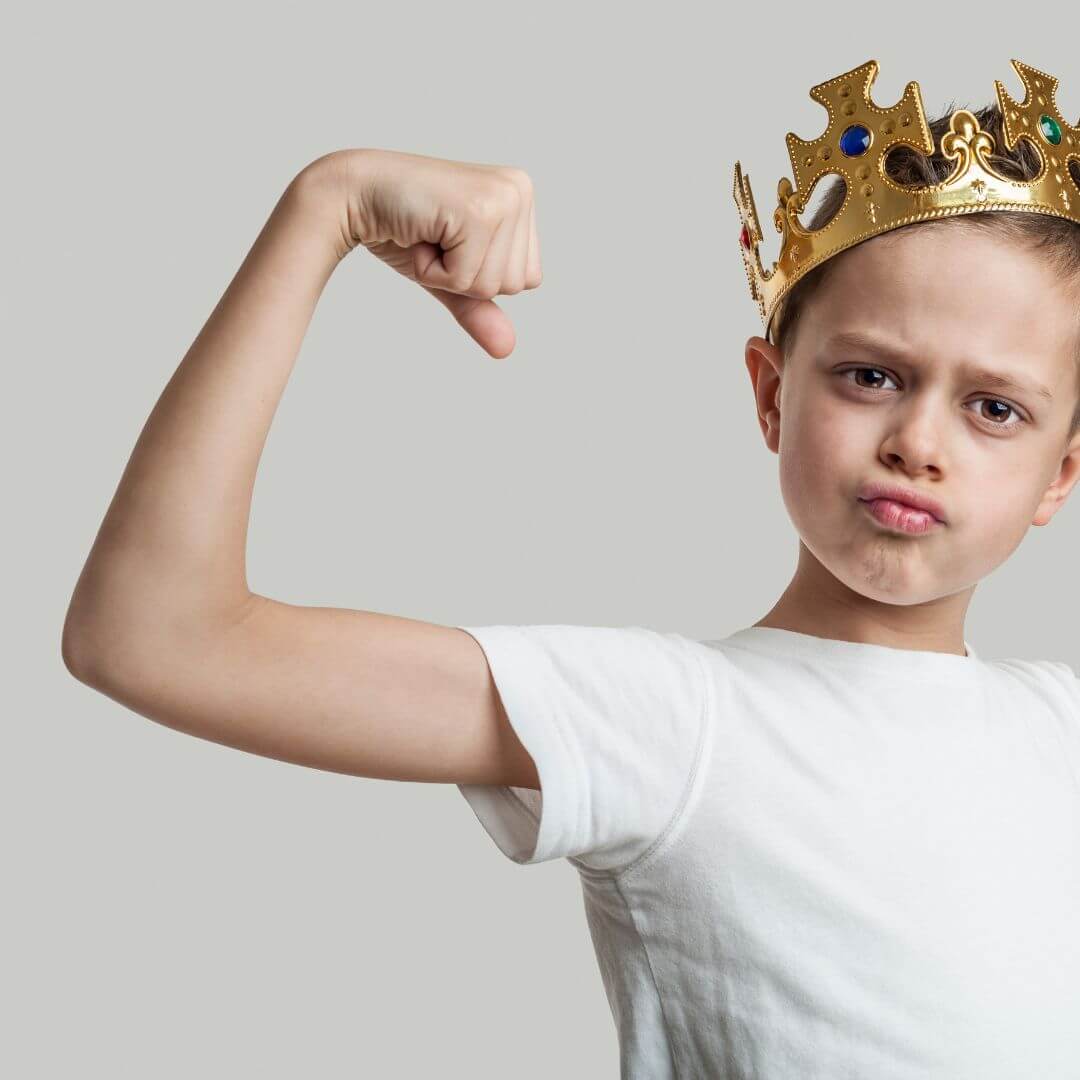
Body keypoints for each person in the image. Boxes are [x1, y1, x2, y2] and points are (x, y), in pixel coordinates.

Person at [61, 57, 1080, 1078]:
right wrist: (325, 206)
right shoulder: (666, 722)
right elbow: (154, 637)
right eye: (871, 376)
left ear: (1059, 473)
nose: (918, 440)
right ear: (772, 396)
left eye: (996, 408)